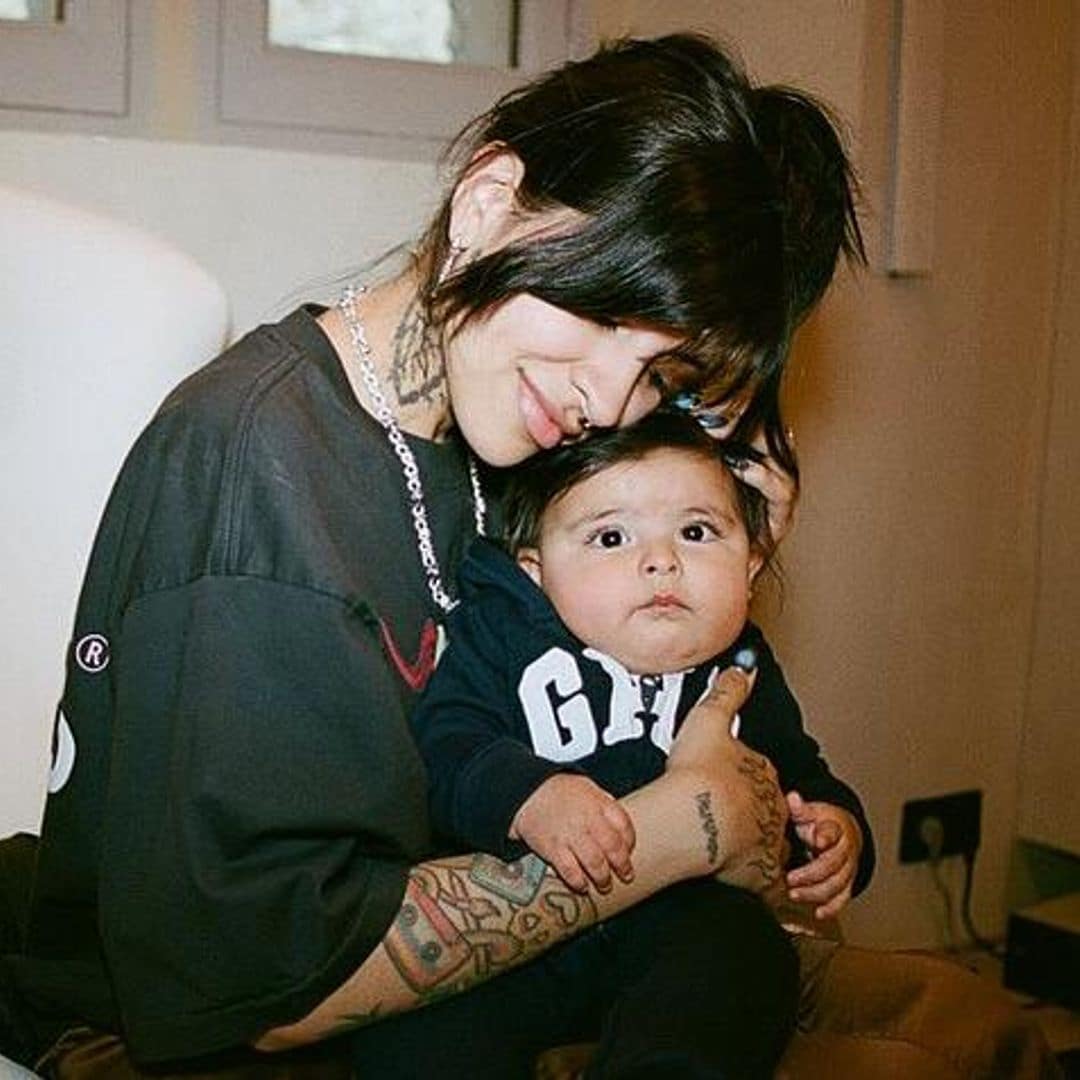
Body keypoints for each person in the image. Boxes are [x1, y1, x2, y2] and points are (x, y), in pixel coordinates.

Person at [0, 27, 1059, 1080]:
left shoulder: (508, 435)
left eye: (660, 372)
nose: (608, 399)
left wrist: (726, 542)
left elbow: (594, 677)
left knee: (981, 1029)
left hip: (543, 953)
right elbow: (264, 981)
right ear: (485, 204)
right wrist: (677, 832)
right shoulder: (259, 476)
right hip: (279, 1021)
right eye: (602, 315)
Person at [407, 408, 875, 1076]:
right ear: (536, 571)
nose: (661, 561)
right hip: (519, 942)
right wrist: (528, 795)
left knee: (748, 953)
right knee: (423, 1021)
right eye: (611, 537)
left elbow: (798, 775)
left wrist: (836, 829)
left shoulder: (741, 667)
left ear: (751, 563)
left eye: (696, 531)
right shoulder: (505, 637)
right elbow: (446, 742)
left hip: (682, 925)